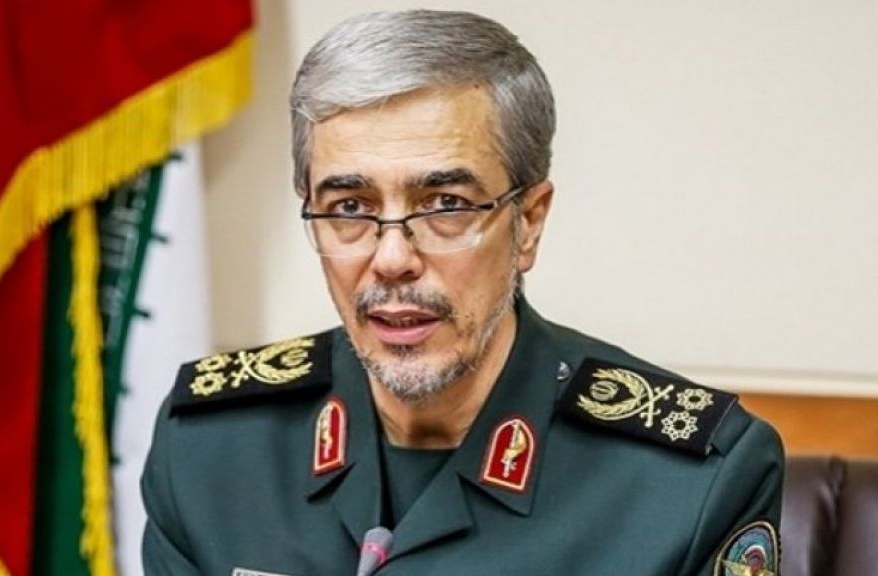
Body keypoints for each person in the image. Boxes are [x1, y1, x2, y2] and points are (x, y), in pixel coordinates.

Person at [142, 10, 783, 576]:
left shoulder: (688, 482)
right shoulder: (210, 450)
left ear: (528, 222)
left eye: (445, 205)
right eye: (350, 207)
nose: (392, 259)